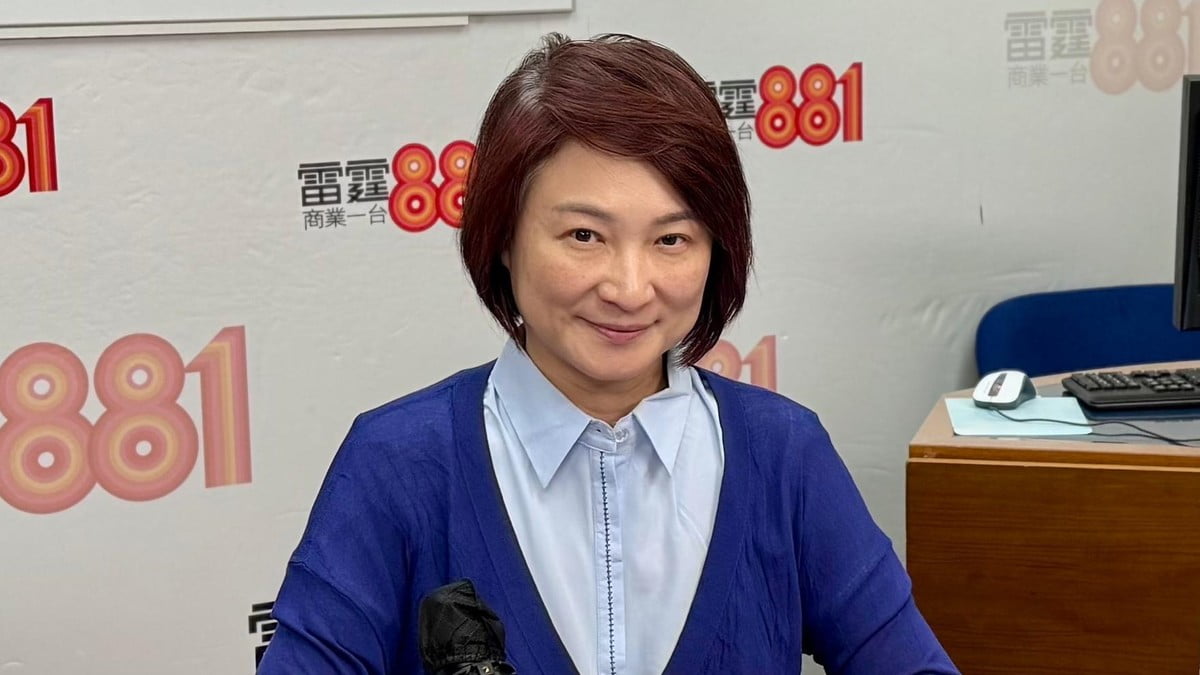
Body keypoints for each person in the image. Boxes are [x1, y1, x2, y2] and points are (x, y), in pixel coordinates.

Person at [257, 32, 958, 675]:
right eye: (584, 236)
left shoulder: (784, 454)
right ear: (504, 238)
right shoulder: (396, 464)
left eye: (672, 239)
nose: (628, 288)